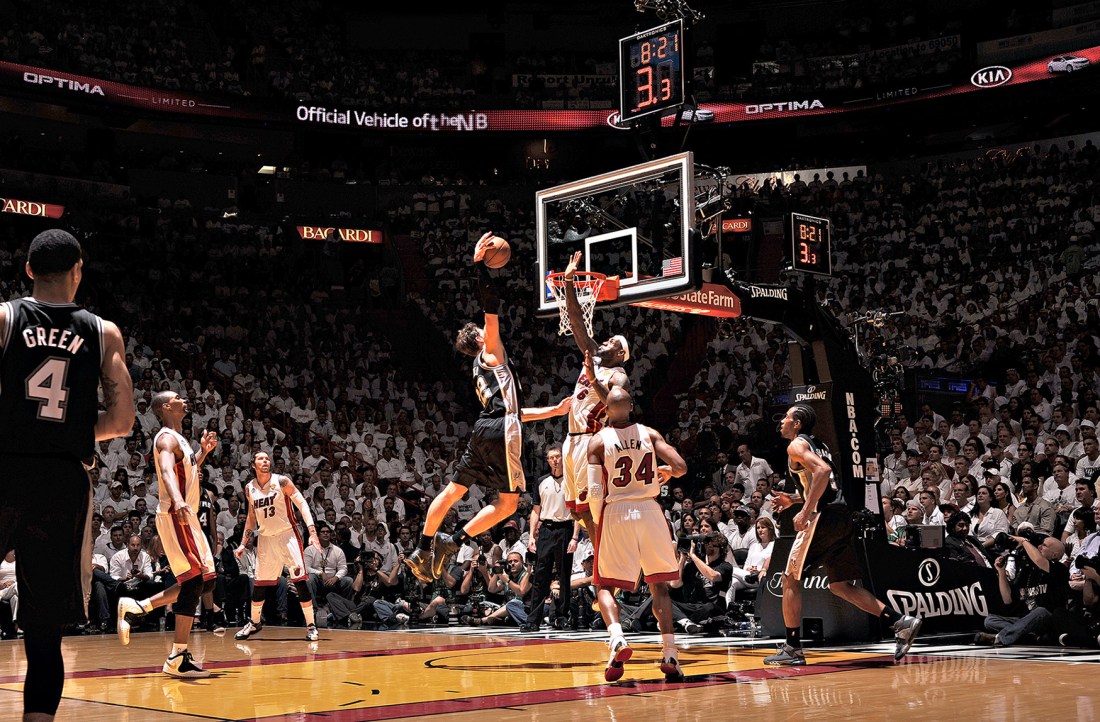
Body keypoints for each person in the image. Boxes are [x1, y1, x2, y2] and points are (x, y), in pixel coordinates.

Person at [0, 229, 134, 720]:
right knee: (44, 630)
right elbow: (122, 421)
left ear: (29, 270)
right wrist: (68, 429)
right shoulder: (103, 332)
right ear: (79, 270)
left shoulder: (4, 318)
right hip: (62, 480)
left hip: (5, 467)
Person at [406, 234, 567, 583]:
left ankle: (422, 546)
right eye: (483, 330)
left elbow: (512, 412)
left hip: (485, 429)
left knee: (453, 491)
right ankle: (454, 540)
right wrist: (480, 266)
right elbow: (490, 303)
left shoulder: (480, 368)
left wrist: (554, 410)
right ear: (479, 338)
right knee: (509, 503)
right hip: (503, 429)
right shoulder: (491, 350)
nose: (487, 330)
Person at [764, 404, 921, 666]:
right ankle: (900, 622)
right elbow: (827, 484)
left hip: (822, 517)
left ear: (797, 424)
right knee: (839, 585)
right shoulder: (820, 445)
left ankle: (792, 649)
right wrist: (794, 498)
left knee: (790, 579)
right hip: (842, 516)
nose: (782, 422)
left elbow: (823, 473)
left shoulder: (796, 446)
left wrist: (805, 511)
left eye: (786, 418)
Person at [586, 386, 687, 682]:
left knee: (604, 585)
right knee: (659, 586)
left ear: (606, 410)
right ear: (631, 407)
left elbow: (594, 491)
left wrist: (597, 521)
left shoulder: (598, 441)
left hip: (616, 511)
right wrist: (666, 471)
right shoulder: (650, 434)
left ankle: (617, 638)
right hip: (650, 510)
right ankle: (670, 653)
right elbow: (681, 467)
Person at [116, 391, 219, 679]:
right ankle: (177, 657)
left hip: (186, 515)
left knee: (207, 582)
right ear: (166, 406)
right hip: (176, 513)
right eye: (177, 397)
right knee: (194, 581)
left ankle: (138, 607)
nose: (184, 399)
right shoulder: (165, 438)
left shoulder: (181, 439)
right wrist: (178, 499)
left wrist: (203, 453)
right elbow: (164, 470)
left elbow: (184, 470)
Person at [559, 251, 630, 539]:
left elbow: (615, 405)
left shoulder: (618, 375)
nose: (605, 341)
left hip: (589, 440)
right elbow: (576, 320)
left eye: (612, 342)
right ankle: (604, 548)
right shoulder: (595, 356)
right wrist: (568, 281)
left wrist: (591, 379)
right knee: (576, 512)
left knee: (589, 509)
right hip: (570, 439)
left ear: (621, 354)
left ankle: (606, 552)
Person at [234, 451, 322, 641]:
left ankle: (311, 625)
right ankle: (254, 622)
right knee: (260, 583)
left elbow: (302, 504)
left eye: (267, 458)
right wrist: (242, 543)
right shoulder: (249, 488)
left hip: (287, 535)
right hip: (266, 539)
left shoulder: (282, 481)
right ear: (253, 465)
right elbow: (251, 517)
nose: (265, 461)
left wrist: (312, 531)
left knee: (299, 581)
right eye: (260, 458)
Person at [974, 533, 1068, 647]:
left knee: (1040, 611)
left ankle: (998, 638)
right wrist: (1001, 571)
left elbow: (1039, 560)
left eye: (1044, 545)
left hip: (1047, 619)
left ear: (1055, 555)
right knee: (990, 620)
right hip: (1024, 620)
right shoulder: (1027, 569)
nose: (1039, 547)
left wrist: (1023, 541)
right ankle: (1027, 636)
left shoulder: (1060, 569)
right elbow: (1007, 599)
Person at [525, 444, 581, 631]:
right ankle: (533, 620)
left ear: (563, 459)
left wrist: (575, 537)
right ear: (548, 461)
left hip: (565, 528)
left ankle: (561, 617)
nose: (555, 460)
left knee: (564, 574)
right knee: (540, 575)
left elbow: (577, 511)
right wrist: (531, 536)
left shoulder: (571, 480)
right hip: (546, 530)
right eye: (551, 457)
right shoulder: (541, 481)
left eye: (558, 456)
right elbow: (535, 511)